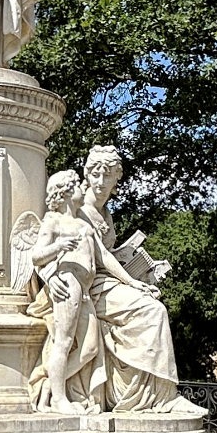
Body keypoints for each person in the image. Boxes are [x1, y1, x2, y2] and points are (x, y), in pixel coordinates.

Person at [77, 145, 182, 414]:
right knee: (153, 311)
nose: (101, 182)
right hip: (92, 287)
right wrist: (131, 282)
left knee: (152, 305)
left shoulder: (106, 213)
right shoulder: (80, 210)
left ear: (116, 180)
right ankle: (151, 396)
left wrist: (138, 267)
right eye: (96, 174)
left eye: (108, 176)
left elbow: (108, 254)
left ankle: (157, 393)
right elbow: (100, 257)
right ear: (87, 175)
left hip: (107, 281)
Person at [13, 171, 107, 413]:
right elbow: (36, 256)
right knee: (64, 342)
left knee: (90, 349)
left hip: (84, 289)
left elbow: (104, 257)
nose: (82, 188)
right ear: (65, 192)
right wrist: (59, 246)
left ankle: (49, 383)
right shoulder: (53, 221)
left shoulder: (83, 224)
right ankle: (58, 398)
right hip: (68, 284)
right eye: (77, 185)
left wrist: (132, 281)